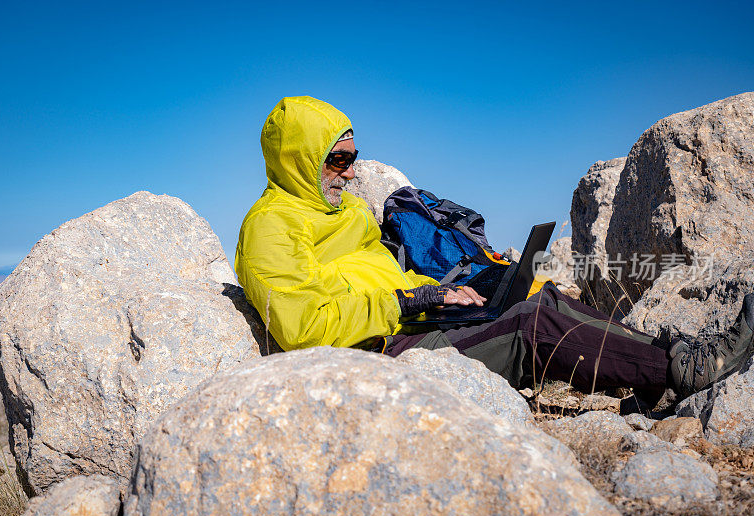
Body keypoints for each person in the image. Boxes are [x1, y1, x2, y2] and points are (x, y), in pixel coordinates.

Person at [235, 96, 754, 401]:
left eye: (354, 158)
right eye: (338, 160)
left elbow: (382, 278)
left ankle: (666, 356)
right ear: (298, 159)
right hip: (374, 357)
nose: (351, 173)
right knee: (530, 325)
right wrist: (406, 304)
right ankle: (685, 371)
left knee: (533, 295)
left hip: (409, 324)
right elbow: (301, 327)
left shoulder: (346, 212)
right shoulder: (269, 228)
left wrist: (440, 293)